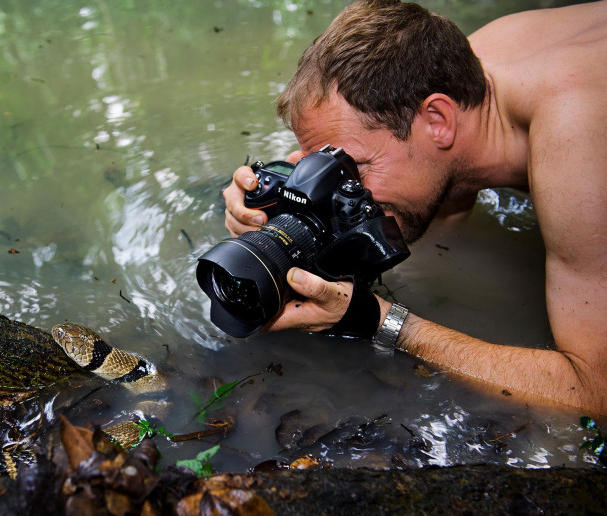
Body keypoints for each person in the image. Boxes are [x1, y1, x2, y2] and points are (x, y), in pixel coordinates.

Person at [223, 0, 607, 415]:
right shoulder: (447, 81)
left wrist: (382, 321)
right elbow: (429, 206)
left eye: (354, 167)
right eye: (330, 164)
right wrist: (278, 209)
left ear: (437, 120)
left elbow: (592, 389)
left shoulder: (577, 135)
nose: (343, 185)